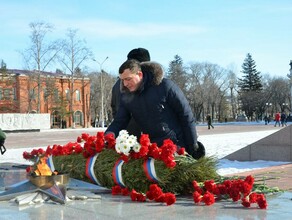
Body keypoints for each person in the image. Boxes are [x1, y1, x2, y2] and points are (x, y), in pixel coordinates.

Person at [106, 59, 205, 160]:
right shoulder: (126, 96)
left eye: (128, 79)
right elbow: (119, 121)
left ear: (139, 74)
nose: (125, 84)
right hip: (153, 150)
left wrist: (192, 145)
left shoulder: (165, 86)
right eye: (122, 80)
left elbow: (186, 115)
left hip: (176, 146)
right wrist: (108, 137)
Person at [111, 48, 151, 139]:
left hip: (122, 135)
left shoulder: (117, 85)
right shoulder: (137, 84)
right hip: (141, 137)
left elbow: (114, 108)